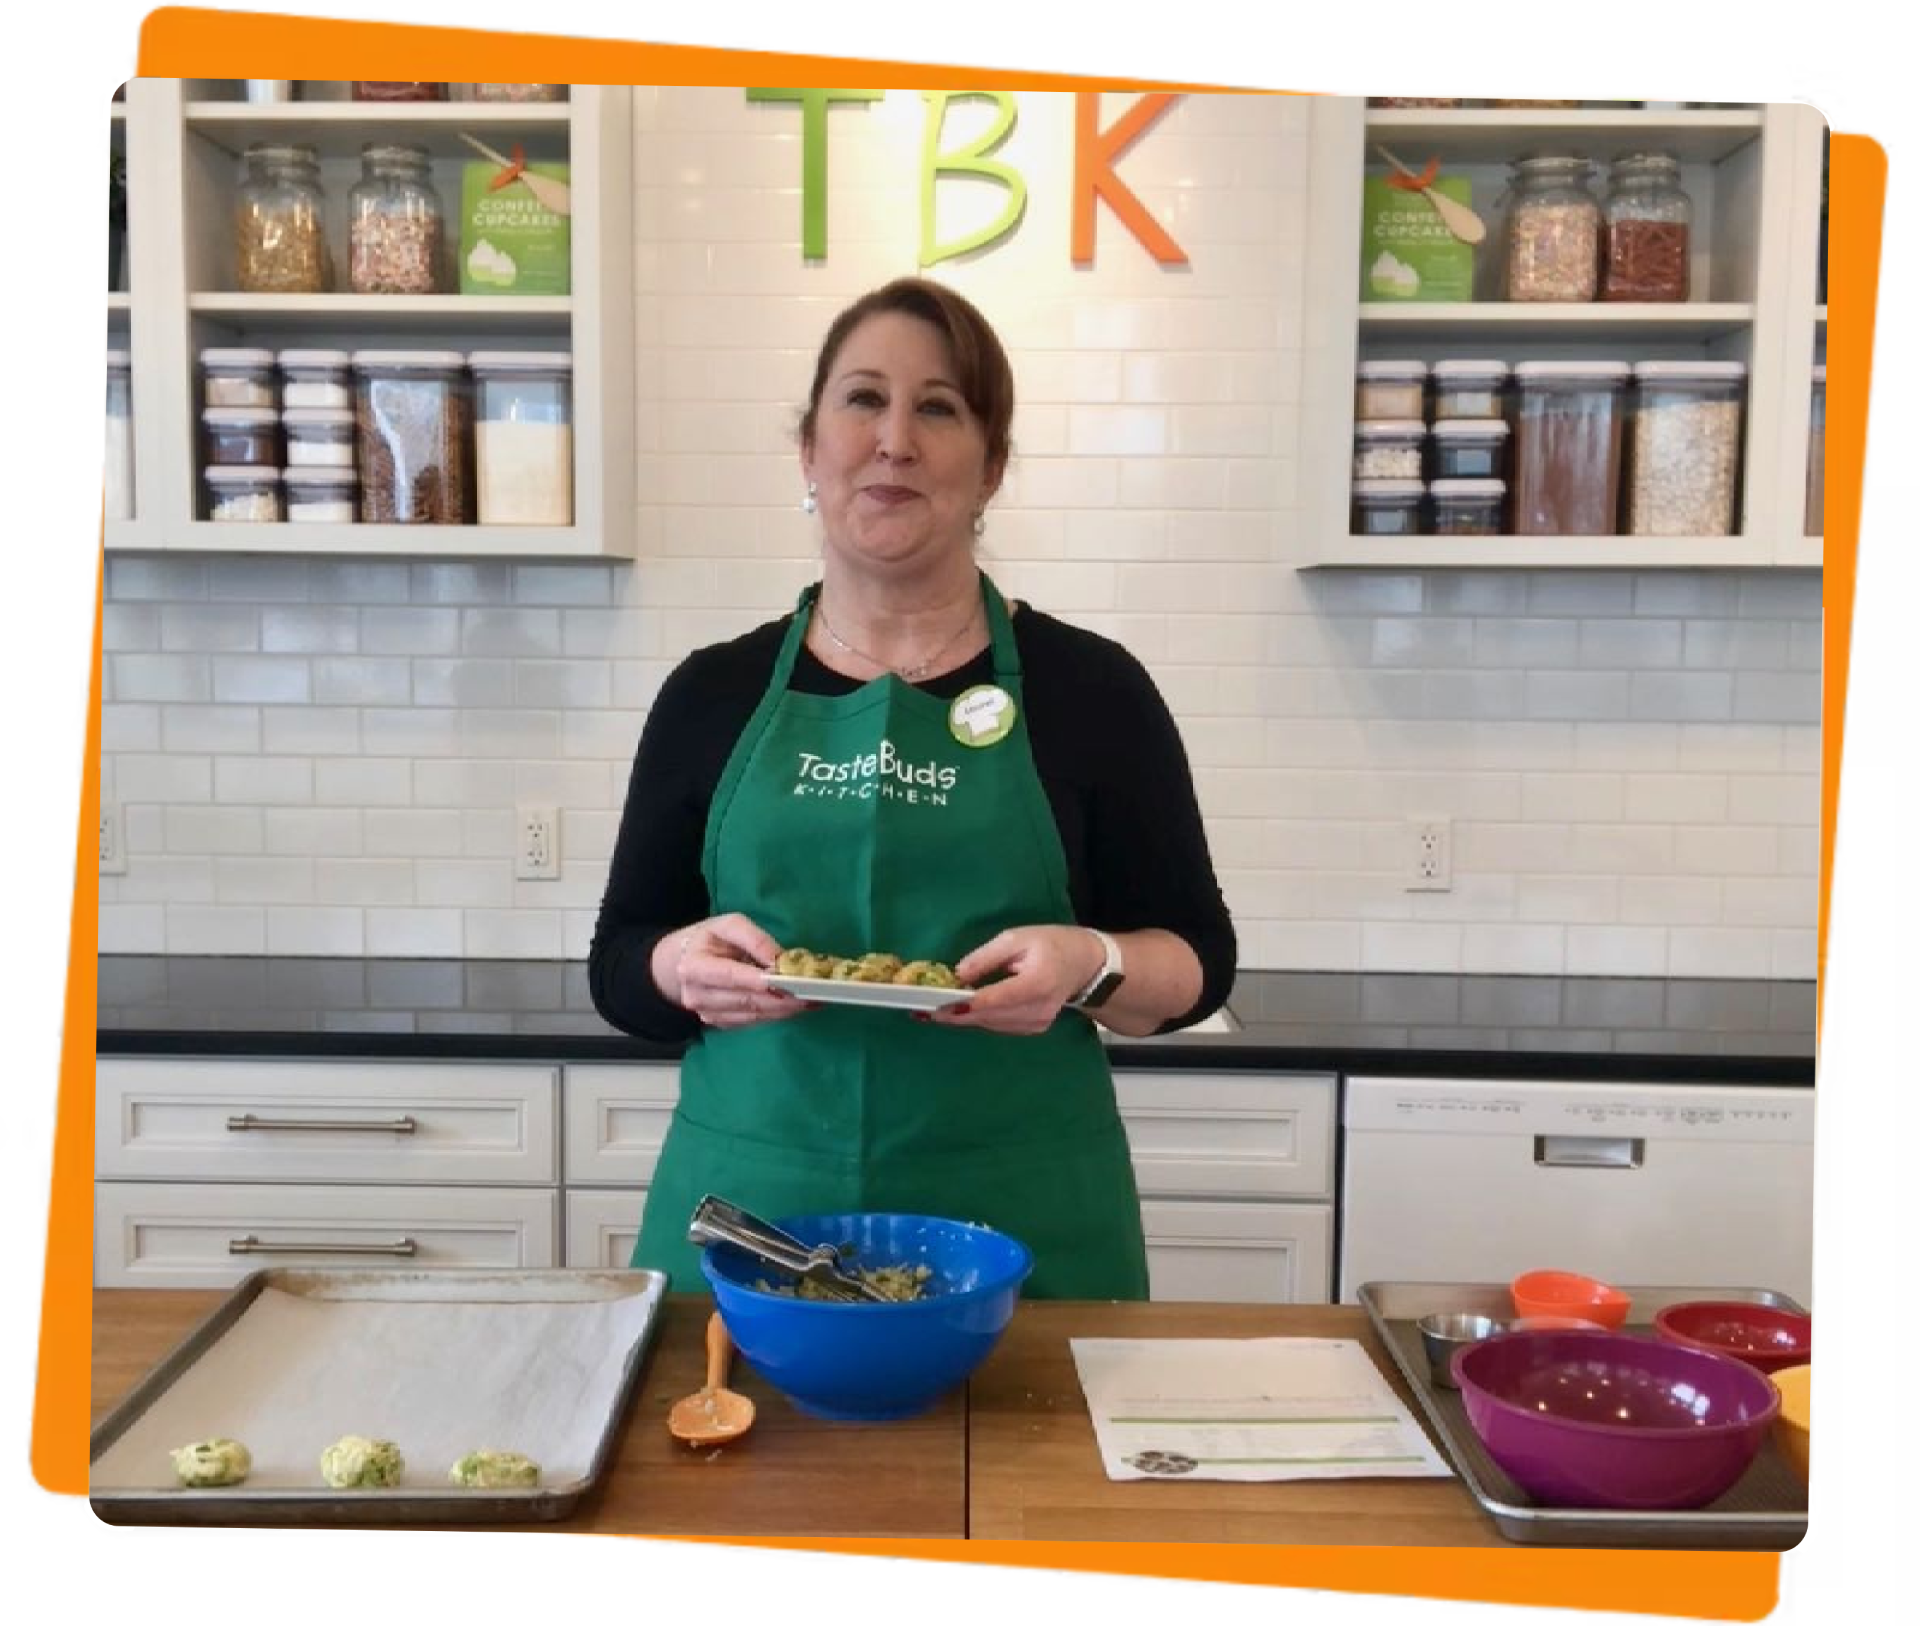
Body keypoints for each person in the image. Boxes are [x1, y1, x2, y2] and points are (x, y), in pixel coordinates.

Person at [588, 276, 1236, 1300]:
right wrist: (678, 966)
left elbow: (1199, 962)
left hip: (1022, 1226)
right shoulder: (711, 694)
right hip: (756, 1223)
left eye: (938, 407)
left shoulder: (1093, 690)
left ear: (992, 467)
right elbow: (619, 963)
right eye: (862, 400)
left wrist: (1090, 962)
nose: (895, 439)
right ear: (809, 450)